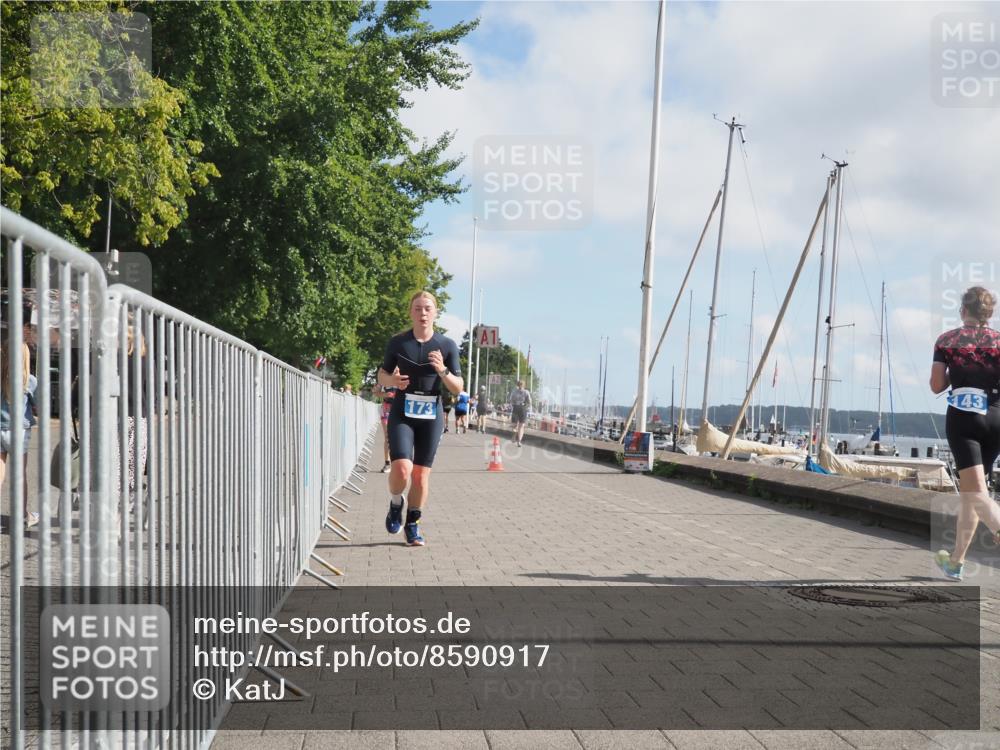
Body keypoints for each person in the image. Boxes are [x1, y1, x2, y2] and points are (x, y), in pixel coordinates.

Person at [377, 291, 462, 546]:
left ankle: (413, 524)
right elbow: (382, 375)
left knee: (421, 475)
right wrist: (392, 381)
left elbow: (458, 387)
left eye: (427, 308)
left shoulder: (447, 345)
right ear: (410, 312)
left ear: (435, 313)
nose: (422, 313)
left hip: (431, 415)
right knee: (402, 468)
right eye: (417, 308)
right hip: (403, 411)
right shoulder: (398, 343)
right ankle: (396, 503)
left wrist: (442, 370)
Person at [930, 286, 1000, 580]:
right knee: (972, 493)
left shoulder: (947, 340)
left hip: (964, 419)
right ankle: (956, 561)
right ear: (989, 313)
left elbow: (936, 385)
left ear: (963, 311)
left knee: (976, 492)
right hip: (997, 419)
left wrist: (956, 370)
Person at [1, 319, 38, 529]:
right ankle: (23, 515)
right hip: (19, 431)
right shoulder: (29, 380)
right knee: (20, 475)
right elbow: (38, 405)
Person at [508, 379, 532, 447]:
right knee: (521, 426)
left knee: (514, 425)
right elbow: (530, 401)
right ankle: (519, 441)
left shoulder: (514, 391)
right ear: (524, 385)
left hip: (516, 407)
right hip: (523, 408)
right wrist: (526, 407)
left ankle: (515, 434)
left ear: (517, 385)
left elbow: (511, 400)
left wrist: (513, 404)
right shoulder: (526, 392)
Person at [379, 386, 396, 472]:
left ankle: (400, 462)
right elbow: (375, 392)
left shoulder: (404, 378)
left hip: (400, 408)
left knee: (400, 437)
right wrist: (385, 394)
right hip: (386, 409)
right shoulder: (383, 380)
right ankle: (387, 463)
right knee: (388, 437)